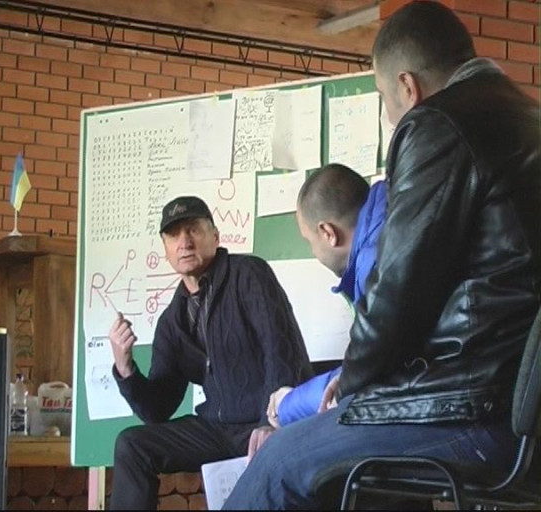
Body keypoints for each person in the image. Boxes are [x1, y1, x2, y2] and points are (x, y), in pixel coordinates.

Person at [223, 1, 541, 509]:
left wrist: (350, 382)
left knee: (276, 462)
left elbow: (397, 291)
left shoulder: (437, 123)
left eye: (382, 97)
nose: (389, 115)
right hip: (522, 415)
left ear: (408, 87)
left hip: (475, 411)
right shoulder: (528, 119)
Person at [107, 195, 313, 510]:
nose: (184, 242)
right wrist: (125, 368)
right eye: (173, 235)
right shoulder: (173, 320)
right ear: (166, 249)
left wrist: (273, 421)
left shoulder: (249, 274)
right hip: (217, 429)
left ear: (215, 237)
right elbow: (157, 410)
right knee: (132, 444)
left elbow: (282, 350)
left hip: (265, 422)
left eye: (193, 229)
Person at [265, 164, 387, 432]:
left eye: (309, 241)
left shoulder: (374, 263)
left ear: (328, 233)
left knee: (282, 453)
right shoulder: (394, 225)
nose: (314, 252)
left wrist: (287, 404)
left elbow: (368, 374)